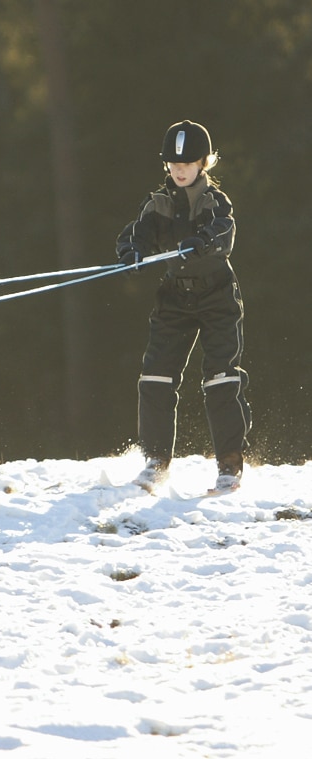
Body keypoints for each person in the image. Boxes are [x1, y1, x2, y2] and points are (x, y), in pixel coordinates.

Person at [115, 120, 251, 493]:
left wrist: (203, 241)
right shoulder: (157, 202)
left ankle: (229, 465)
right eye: (174, 164)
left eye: (188, 164)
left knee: (220, 377)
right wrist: (131, 253)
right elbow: (135, 234)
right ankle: (156, 461)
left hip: (217, 297)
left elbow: (224, 232)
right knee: (155, 376)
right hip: (174, 297)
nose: (179, 170)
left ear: (204, 163)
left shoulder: (214, 201)